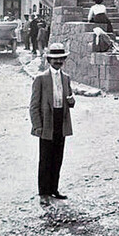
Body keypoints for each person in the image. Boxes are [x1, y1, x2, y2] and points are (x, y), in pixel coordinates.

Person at [29, 42, 75, 202]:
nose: (58, 62)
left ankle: (54, 188)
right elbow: (34, 106)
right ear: (49, 60)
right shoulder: (40, 79)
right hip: (46, 122)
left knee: (57, 157)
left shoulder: (66, 78)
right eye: (55, 59)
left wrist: (71, 101)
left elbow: (70, 101)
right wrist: (38, 126)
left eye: (61, 59)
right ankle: (44, 192)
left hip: (61, 121)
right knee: (45, 158)